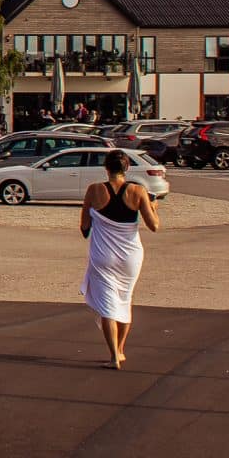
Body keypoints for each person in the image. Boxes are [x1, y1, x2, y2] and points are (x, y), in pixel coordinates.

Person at [79, 148, 159, 369]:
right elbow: (154, 226)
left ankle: (114, 355)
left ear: (106, 168)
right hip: (130, 256)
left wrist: (97, 226)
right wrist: (154, 207)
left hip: (103, 255)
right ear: (127, 168)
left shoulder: (94, 190)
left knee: (108, 307)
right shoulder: (138, 191)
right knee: (124, 300)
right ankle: (121, 350)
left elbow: (84, 226)